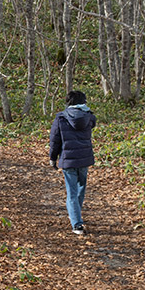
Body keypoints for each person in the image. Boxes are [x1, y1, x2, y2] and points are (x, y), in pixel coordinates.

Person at [49, 90, 96, 235]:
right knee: (80, 188)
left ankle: (76, 223)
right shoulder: (89, 117)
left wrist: (52, 158)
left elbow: (55, 140)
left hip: (68, 159)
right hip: (84, 159)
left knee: (72, 192)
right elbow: (93, 123)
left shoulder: (61, 117)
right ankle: (76, 215)